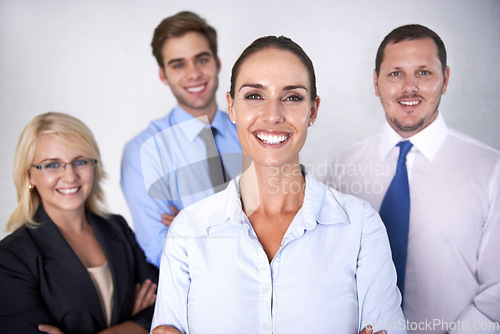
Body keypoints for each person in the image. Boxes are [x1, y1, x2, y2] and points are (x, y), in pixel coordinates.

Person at [150, 36, 405, 334]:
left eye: (293, 97)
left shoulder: (361, 226)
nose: (273, 115)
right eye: (255, 96)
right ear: (231, 107)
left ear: (313, 110)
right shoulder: (188, 231)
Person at [325, 24, 500, 333]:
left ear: (445, 80)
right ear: (375, 82)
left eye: (423, 73)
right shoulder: (342, 170)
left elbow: (497, 292)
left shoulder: (491, 170)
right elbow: (329, 273)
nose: (409, 87)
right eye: (395, 74)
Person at [0, 112, 159, 334]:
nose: (70, 176)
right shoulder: (11, 257)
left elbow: (160, 308)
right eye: (52, 164)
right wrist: (129, 324)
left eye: (80, 161)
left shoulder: (117, 228)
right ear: (29, 176)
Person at [120, 11, 241, 268]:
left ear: (217, 63)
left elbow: (281, 217)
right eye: (178, 64)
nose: (194, 73)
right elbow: (160, 249)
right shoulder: (143, 152)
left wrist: (190, 231)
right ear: (163, 75)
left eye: (202, 59)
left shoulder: (250, 132)